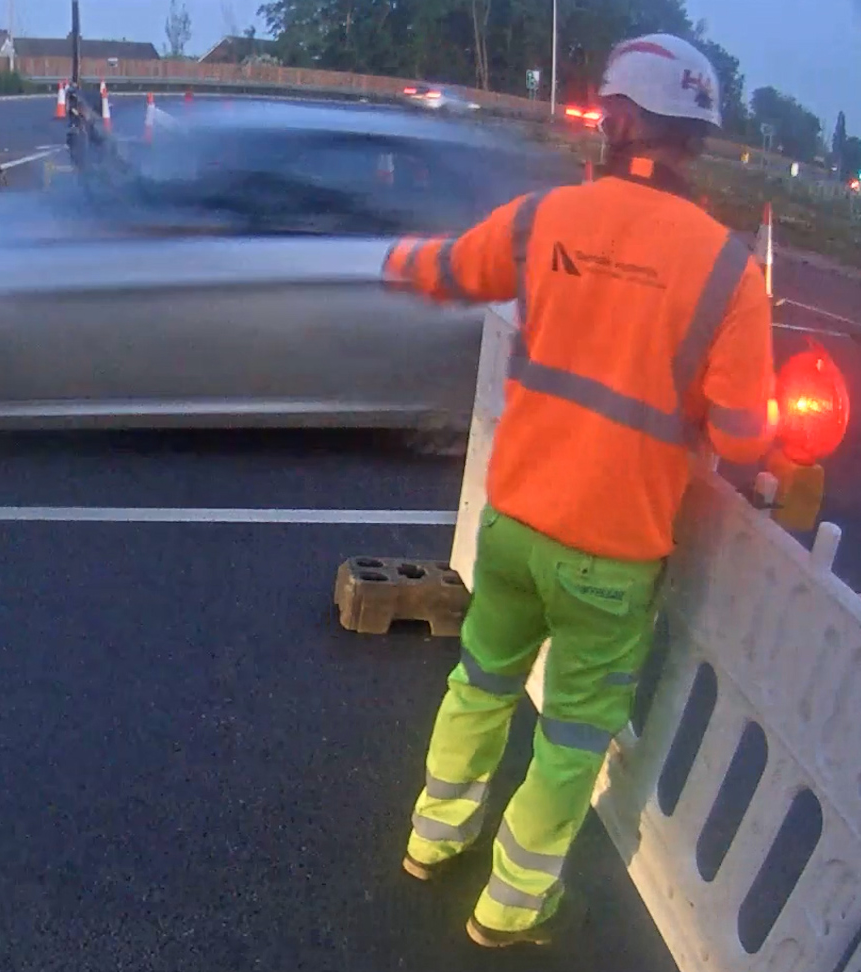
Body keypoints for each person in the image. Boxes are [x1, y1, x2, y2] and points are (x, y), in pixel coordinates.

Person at [382, 33, 777, 948]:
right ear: (694, 142)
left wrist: (389, 256)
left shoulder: (544, 217)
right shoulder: (730, 272)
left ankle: (431, 841)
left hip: (517, 523)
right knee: (570, 734)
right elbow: (742, 433)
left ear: (619, 120)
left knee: (480, 680)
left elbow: (449, 271)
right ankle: (512, 907)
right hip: (612, 555)